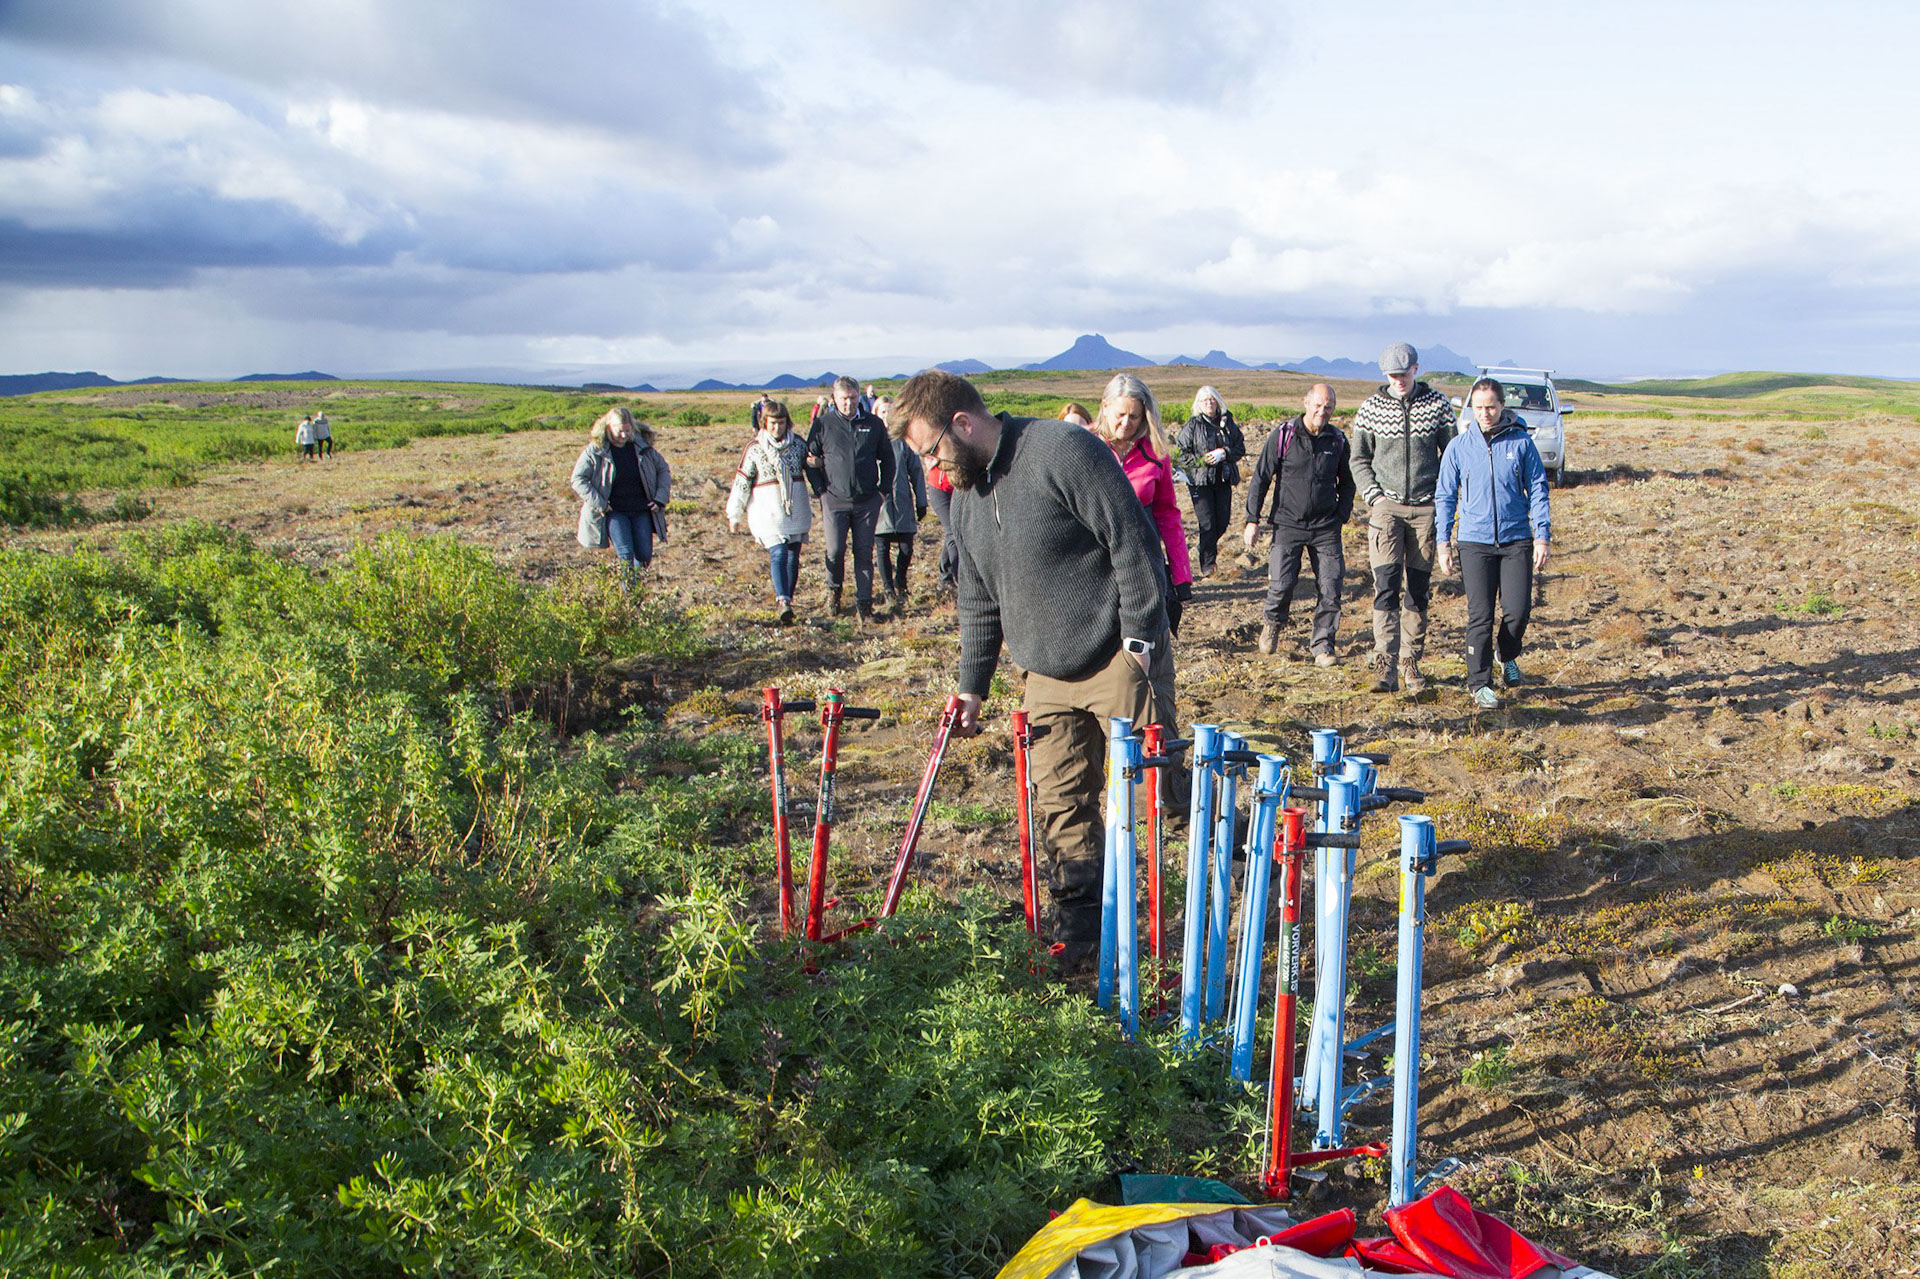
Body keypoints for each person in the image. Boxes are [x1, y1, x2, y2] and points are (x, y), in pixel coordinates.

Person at [890, 370, 1173, 968]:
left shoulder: (1061, 450)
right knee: (1062, 803)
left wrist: (1140, 642)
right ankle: (1083, 935)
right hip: (1044, 673)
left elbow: (1133, 541)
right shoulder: (965, 501)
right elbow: (978, 600)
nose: (932, 468)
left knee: (1162, 791)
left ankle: (1240, 867)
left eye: (931, 450)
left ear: (962, 424)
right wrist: (972, 688)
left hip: (1117, 655)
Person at [1434, 377, 1552, 709]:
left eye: (1491, 407)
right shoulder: (1459, 447)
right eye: (1479, 407)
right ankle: (1480, 683)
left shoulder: (1521, 443)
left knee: (1518, 611)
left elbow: (1538, 489)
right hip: (1474, 542)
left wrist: (1542, 535)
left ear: (1502, 406)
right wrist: (1443, 543)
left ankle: (1507, 653)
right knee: (1480, 616)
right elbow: (1445, 496)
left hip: (1517, 539)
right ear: (1471, 408)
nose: (1485, 413)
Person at [1350, 342, 1457, 694]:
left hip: (1426, 511)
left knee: (1418, 589)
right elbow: (1358, 459)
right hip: (1387, 509)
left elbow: (1451, 455)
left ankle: (1411, 661)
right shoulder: (1371, 409)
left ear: (1416, 369)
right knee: (1386, 585)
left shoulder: (1438, 405)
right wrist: (1375, 497)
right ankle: (1385, 664)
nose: (1398, 380)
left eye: (1404, 373)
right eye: (1392, 375)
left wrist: (1442, 497)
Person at [1241, 383, 1354, 664]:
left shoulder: (1337, 440)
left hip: (1325, 527)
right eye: (1318, 405)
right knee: (1281, 584)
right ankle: (1272, 624)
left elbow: (1348, 482)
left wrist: (1341, 515)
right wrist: (1252, 519)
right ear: (1306, 403)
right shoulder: (1284, 435)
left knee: (1331, 586)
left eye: (1328, 407)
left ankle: (1323, 646)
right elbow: (1261, 478)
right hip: (1288, 524)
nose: (1322, 411)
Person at [1093, 374, 1193, 647]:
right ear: (1105, 407)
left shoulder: (1156, 453)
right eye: (1120, 415)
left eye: (1134, 417)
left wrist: (1181, 576)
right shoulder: (1083, 445)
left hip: (1140, 563)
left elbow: (1168, 516)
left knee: (1143, 642)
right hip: (1094, 565)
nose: (1126, 423)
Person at [804, 375, 895, 620]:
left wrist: (883, 491)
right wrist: (821, 491)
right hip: (834, 499)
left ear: (859, 396)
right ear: (834, 398)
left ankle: (864, 605)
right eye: (844, 398)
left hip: (867, 501)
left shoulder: (873, 424)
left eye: (853, 398)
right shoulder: (823, 424)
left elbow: (888, 459)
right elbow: (809, 459)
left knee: (863, 553)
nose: (849, 403)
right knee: (835, 551)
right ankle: (834, 592)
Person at [727, 398, 812, 624]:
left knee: (793, 556)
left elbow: (812, 469)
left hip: (795, 510)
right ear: (764, 423)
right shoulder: (754, 448)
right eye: (773, 423)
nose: (777, 428)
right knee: (779, 553)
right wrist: (734, 514)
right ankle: (782, 600)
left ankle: (788, 602)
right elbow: (742, 482)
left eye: (781, 423)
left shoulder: (798, 445)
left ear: (787, 423)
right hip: (767, 511)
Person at [571, 406, 672, 588]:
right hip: (614, 511)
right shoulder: (595, 450)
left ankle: (636, 588)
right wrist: (601, 503)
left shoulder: (642, 446)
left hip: (641, 509)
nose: (624, 435)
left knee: (644, 555)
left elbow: (663, 469)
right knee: (625, 553)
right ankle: (628, 597)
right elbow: (578, 479)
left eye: (628, 430)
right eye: (619, 431)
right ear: (608, 427)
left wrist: (660, 498)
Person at [1175, 385, 1246, 576]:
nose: (1209, 403)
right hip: (1200, 482)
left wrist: (1225, 453)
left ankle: (1204, 547)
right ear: (1199, 403)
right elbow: (1181, 454)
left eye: (1212, 399)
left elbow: (1240, 447)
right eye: (1205, 400)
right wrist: (1202, 460)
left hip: (1223, 479)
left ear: (1218, 401)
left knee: (1222, 522)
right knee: (1207, 524)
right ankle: (1208, 565)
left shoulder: (1227, 422)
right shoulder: (1193, 425)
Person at [871, 395, 927, 615]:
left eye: (889, 411)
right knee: (882, 548)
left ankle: (900, 581)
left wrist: (921, 501)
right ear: (876, 414)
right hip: (879, 504)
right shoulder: (870, 439)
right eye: (882, 412)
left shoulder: (904, 440)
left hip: (903, 503)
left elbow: (916, 472)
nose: (886, 416)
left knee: (906, 548)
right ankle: (888, 590)